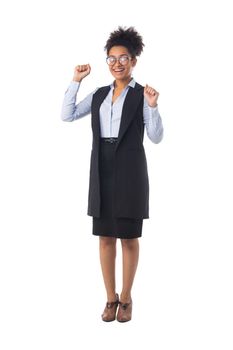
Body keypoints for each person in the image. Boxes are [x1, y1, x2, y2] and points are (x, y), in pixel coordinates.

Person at [61, 26, 163, 322]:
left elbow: (155, 136)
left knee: (129, 237)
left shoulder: (143, 95)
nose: (117, 63)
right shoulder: (99, 94)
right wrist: (75, 81)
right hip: (101, 166)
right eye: (111, 58)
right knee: (105, 237)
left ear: (134, 61)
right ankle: (110, 298)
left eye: (123, 57)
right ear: (107, 61)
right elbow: (67, 115)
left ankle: (127, 298)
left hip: (131, 168)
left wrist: (153, 107)